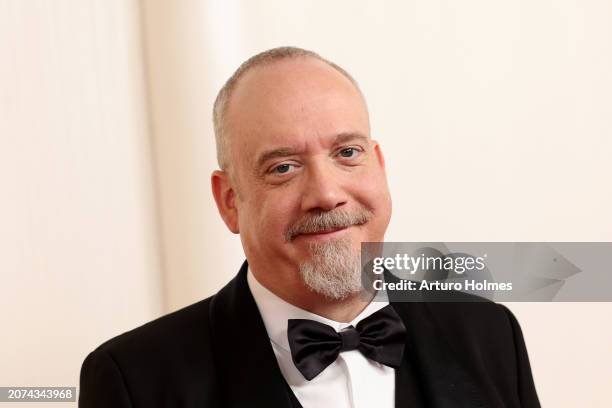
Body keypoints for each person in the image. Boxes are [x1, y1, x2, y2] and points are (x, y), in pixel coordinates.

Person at [79, 47, 540, 407]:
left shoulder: (490, 333)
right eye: (283, 167)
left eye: (347, 153)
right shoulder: (133, 381)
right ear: (229, 202)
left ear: (378, 166)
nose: (326, 193)